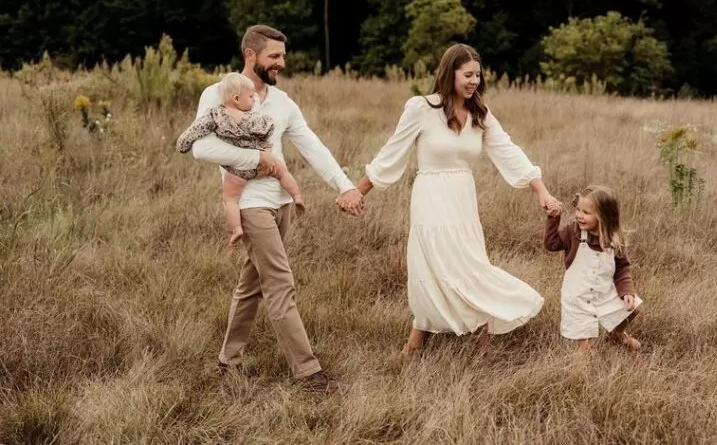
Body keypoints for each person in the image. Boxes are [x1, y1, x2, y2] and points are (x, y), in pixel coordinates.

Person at [349, 43, 562, 355]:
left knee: (468, 263)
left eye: (478, 75)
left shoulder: (481, 115)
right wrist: (358, 190)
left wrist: (541, 190)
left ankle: (480, 340)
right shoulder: (422, 108)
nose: (474, 81)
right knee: (431, 265)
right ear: (450, 74)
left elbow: (509, 153)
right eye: (468, 75)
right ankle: (417, 343)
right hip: (430, 196)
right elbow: (391, 153)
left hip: (462, 198)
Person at [188, 25, 364, 392]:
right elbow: (201, 147)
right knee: (280, 282)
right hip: (249, 203)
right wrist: (256, 158)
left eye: (282, 56)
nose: (281, 63)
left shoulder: (282, 103)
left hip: (281, 203)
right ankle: (309, 372)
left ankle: (228, 361)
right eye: (274, 56)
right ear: (250, 55)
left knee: (253, 283)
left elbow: (311, 145)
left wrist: (345, 184)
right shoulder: (217, 95)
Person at [176, 72, 305, 249]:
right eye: (251, 96)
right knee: (282, 172)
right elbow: (268, 130)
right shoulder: (252, 117)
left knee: (230, 199)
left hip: (237, 171)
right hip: (262, 164)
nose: (254, 100)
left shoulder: (214, 116)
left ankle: (235, 228)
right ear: (237, 98)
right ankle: (296, 196)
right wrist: (266, 151)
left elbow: (194, 131)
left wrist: (183, 145)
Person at [544, 184, 642, 351]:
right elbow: (551, 244)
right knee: (585, 348)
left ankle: (617, 334)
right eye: (578, 210)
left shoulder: (614, 240)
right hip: (578, 296)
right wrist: (554, 218)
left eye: (586, 213)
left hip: (603, 292)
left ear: (604, 216)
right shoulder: (572, 233)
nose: (579, 216)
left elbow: (622, 268)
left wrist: (626, 292)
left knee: (634, 308)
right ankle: (582, 373)